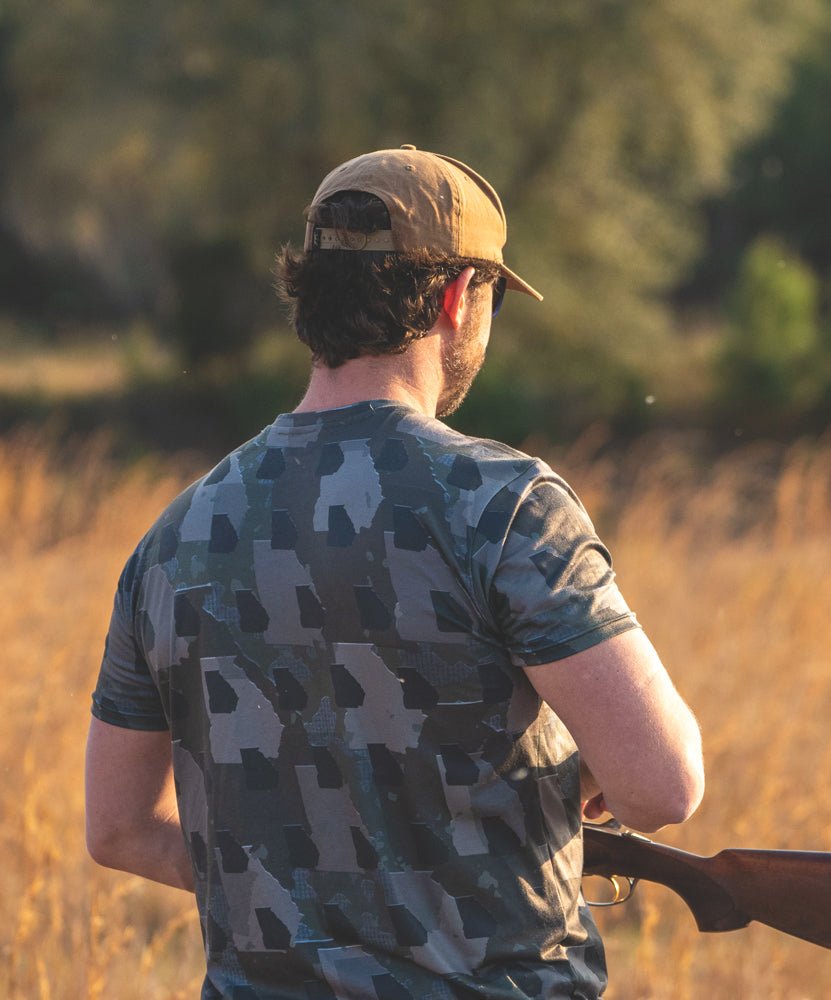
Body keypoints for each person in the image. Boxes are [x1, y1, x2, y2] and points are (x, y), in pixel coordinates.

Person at [86, 145, 704, 999]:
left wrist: (316, 893)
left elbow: (117, 829)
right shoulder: (506, 503)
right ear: (458, 300)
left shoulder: (173, 535)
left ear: (311, 295)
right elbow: (663, 782)